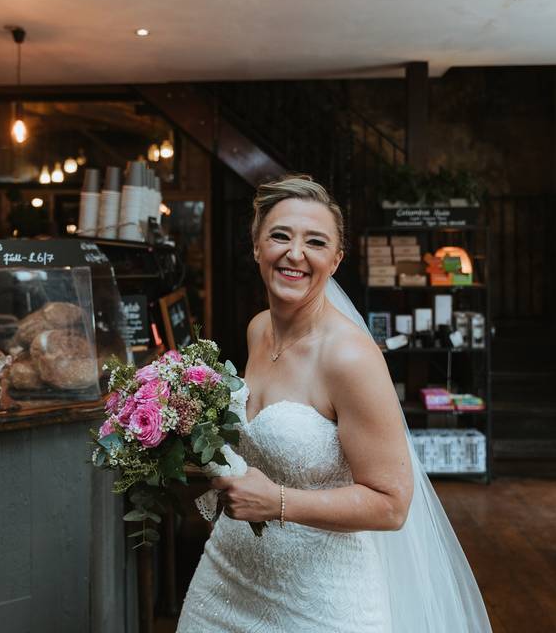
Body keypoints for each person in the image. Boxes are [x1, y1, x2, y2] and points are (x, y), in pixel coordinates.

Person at [177, 176, 491, 632]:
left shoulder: (350, 357)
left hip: (316, 600)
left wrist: (278, 502)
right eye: (280, 235)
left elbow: (391, 504)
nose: (295, 253)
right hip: (226, 578)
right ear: (256, 246)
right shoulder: (258, 329)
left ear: (336, 260)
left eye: (316, 242)